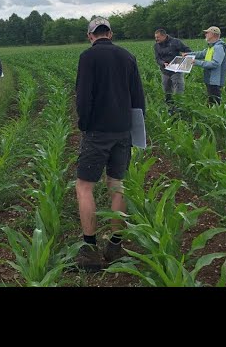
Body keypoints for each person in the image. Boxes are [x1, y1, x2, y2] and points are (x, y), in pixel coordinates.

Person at [74, 17, 146, 272]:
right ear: (110, 34)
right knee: (117, 185)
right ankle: (115, 245)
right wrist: (135, 131)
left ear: (90, 36)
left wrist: (84, 124)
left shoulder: (88, 57)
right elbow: (138, 98)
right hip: (123, 130)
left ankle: (90, 250)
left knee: (84, 186)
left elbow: (83, 96)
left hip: (97, 131)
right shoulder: (127, 56)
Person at [184, 26, 226, 105]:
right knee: (211, 101)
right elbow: (201, 54)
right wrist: (188, 55)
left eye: (207, 33)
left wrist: (196, 62)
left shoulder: (218, 47)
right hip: (210, 79)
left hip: (215, 80)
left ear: (213, 34)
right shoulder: (212, 47)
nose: (205, 34)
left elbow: (215, 63)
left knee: (215, 103)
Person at [154, 28, 191, 113]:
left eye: (158, 37)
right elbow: (157, 58)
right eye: (155, 37)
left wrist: (184, 56)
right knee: (167, 91)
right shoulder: (156, 46)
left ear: (164, 36)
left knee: (178, 90)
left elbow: (187, 50)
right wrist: (163, 63)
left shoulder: (175, 42)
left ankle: (178, 109)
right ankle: (169, 109)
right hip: (165, 71)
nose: (156, 39)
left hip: (176, 71)